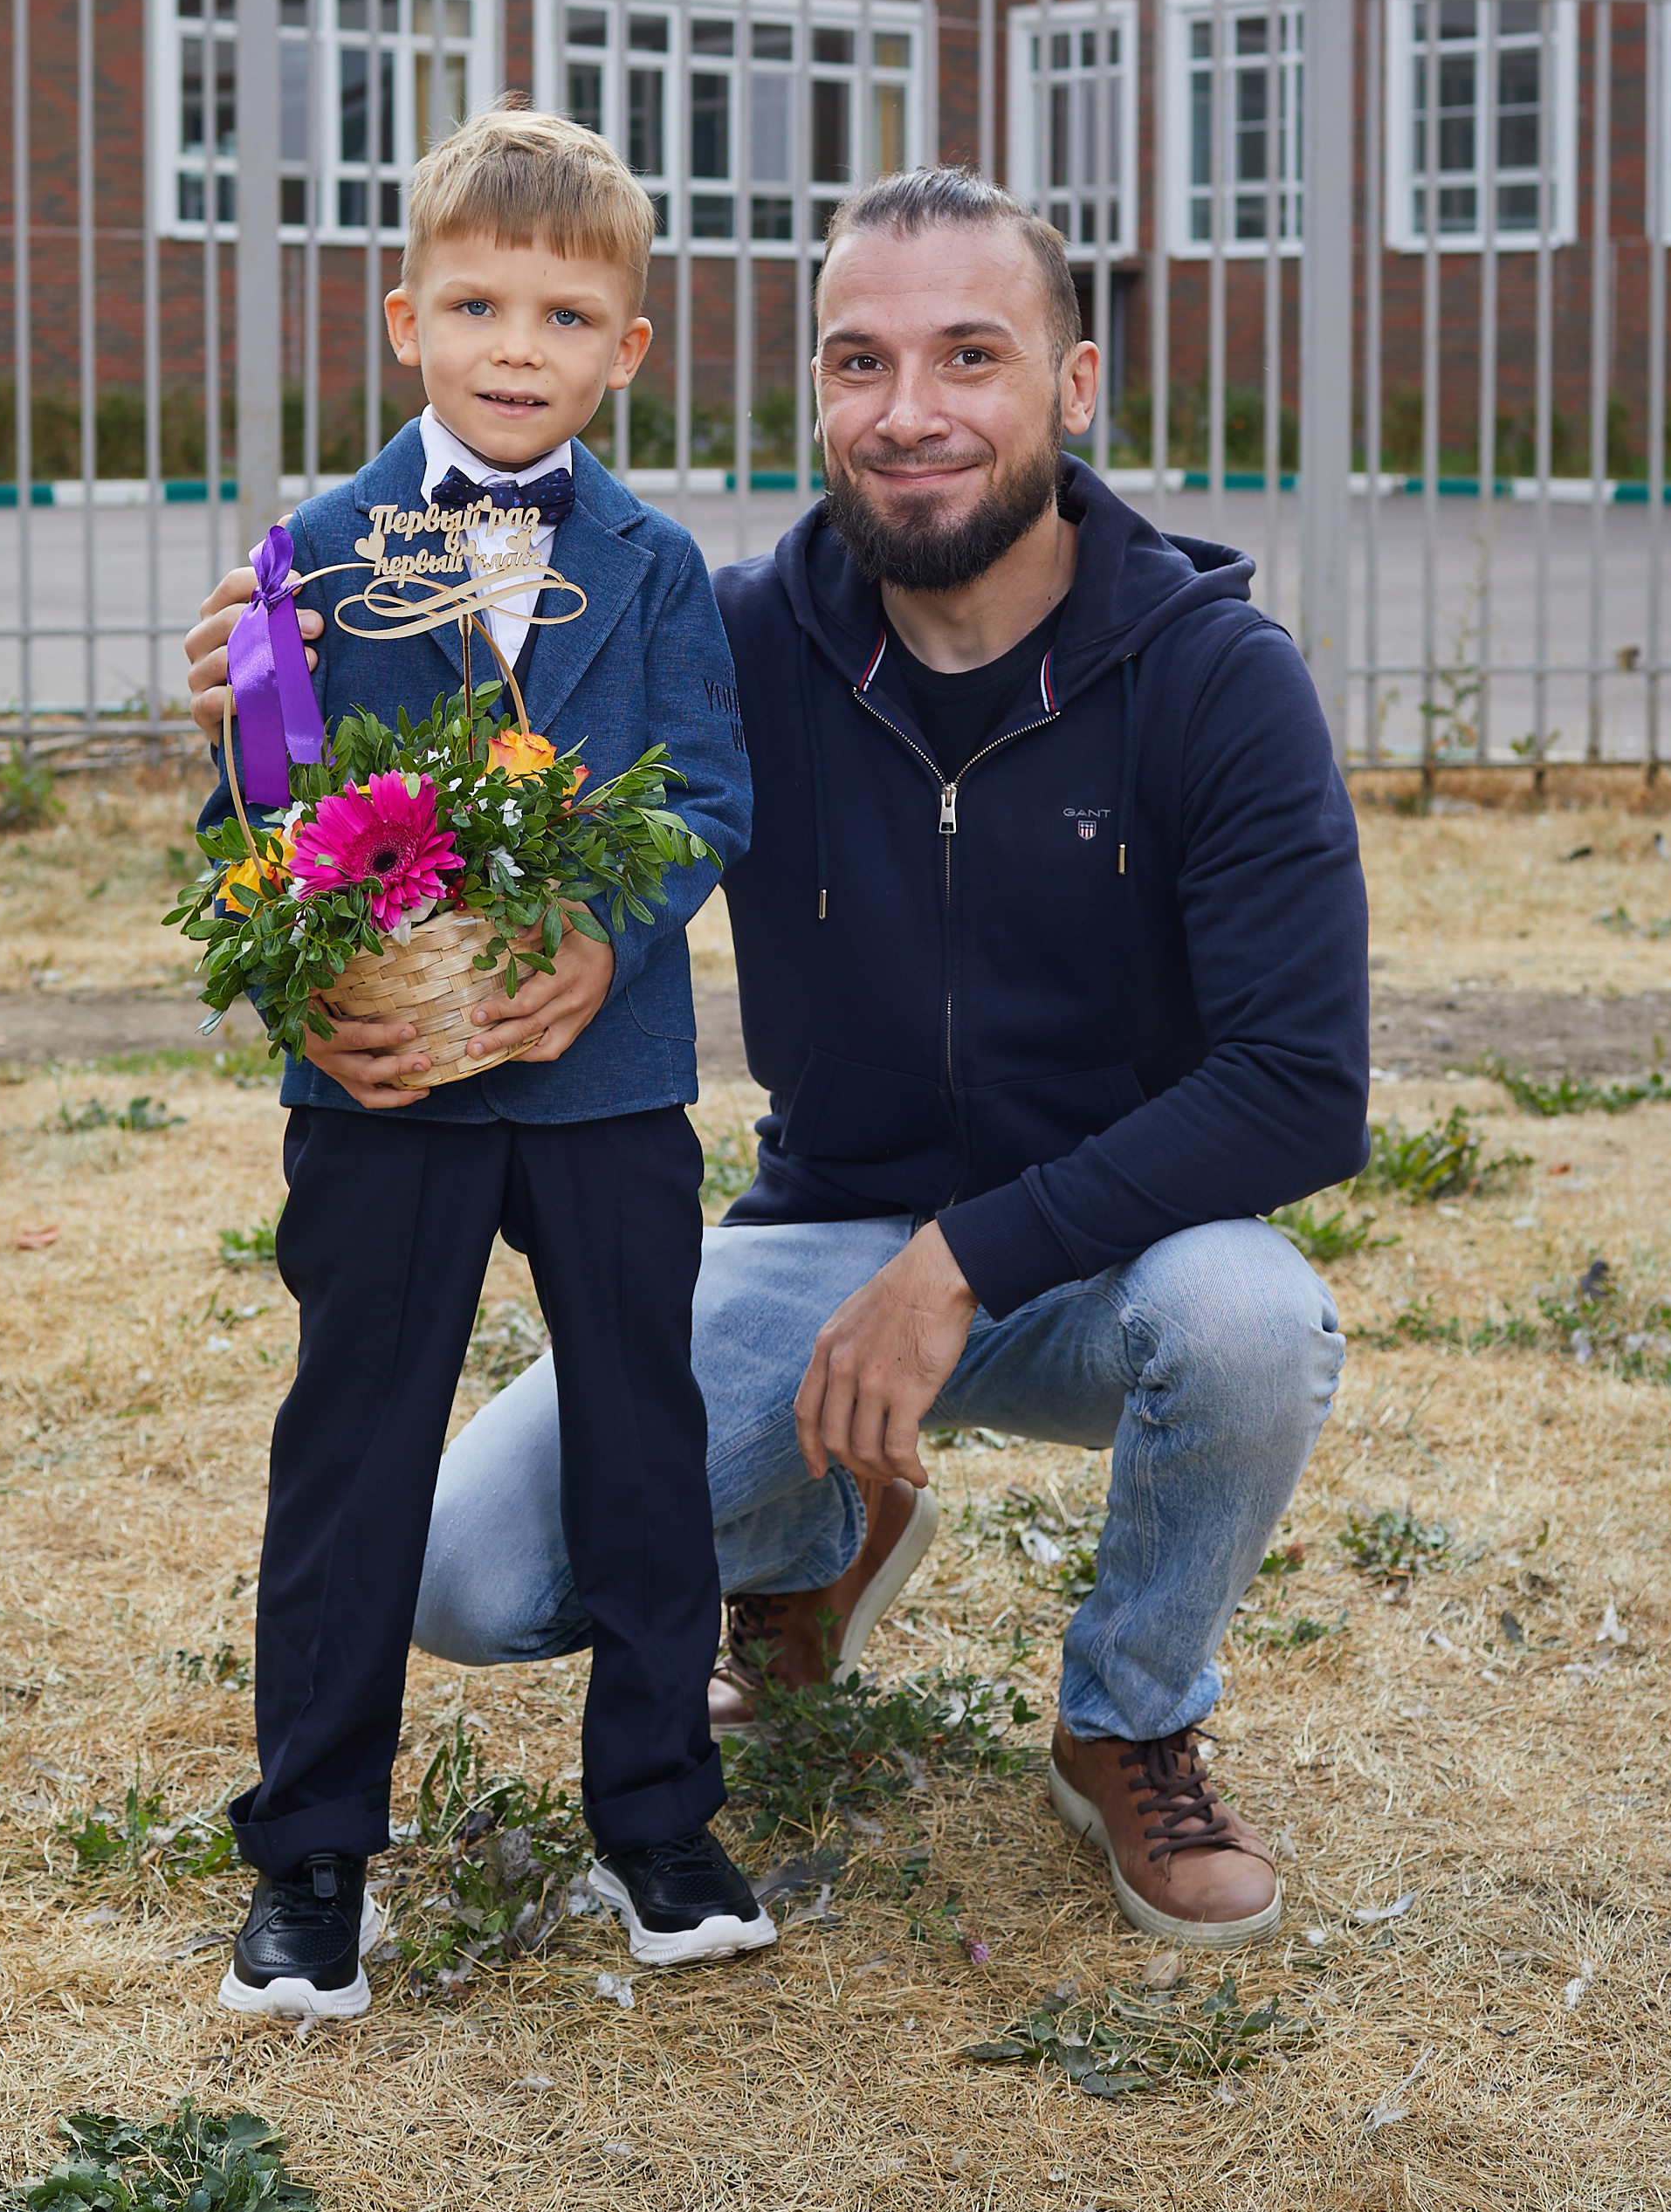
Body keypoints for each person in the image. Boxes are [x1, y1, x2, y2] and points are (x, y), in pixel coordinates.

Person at [190, 163, 1370, 1955]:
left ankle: (1130, 1719)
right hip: (818, 1244)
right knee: (464, 1574)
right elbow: (448, 721)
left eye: (969, 355)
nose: (908, 412)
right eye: (857, 362)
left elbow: (1300, 1084)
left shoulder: (1218, 676)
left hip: (1111, 1263)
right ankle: (822, 1538)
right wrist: (276, 680)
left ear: (1074, 385)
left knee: (1251, 1320)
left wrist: (959, 1262)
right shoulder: (725, 634)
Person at [187, 109, 766, 2021]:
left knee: (642, 1441)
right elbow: (255, 823)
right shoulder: (309, 557)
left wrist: (606, 938)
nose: (519, 346)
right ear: (405, 319)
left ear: (628, 351)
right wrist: (313, 995)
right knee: (352, 1453)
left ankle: (658, 1817)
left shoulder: (658, 567)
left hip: (604, 1084)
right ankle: (310, 1854)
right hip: (389, 1085)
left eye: (566, 315)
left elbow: (709, 792)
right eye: (478, 305)